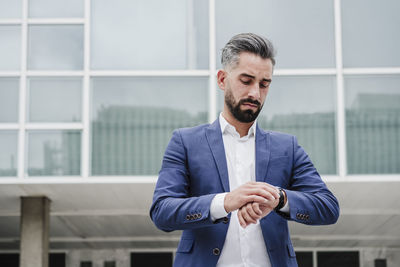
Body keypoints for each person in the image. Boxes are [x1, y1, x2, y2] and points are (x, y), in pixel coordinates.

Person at [150, 33, 339, 267]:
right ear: (222, 79)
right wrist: (225, 202)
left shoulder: (287, 147)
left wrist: (278, 199)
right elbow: (162, 211)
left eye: (264, 84)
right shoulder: (185, 142)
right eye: (246, 80)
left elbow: (328, 207)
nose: (255, 94)